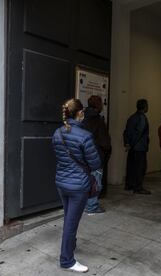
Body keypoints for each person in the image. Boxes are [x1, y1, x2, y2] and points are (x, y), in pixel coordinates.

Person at [52, 98, 101, 273]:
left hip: (61, 183)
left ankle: (70, 246)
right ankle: (67, 261)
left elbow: (59, 158)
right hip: (78, 186)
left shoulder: (57, 133)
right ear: (80, 113)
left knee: (68, 219)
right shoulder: (85, 136)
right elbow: (95, 164)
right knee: (71, 223)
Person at [82, 95, 111, 214]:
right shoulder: (98, 120)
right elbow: (105, 142)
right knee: (95, 182)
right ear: (98, 105)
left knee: (85, 180)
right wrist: (107, 152)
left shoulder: (82, 118)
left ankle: (83, 204)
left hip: (83, 155)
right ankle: (92, 206)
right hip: (96, 156)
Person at [123, 99, 151, 194]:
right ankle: (138, 187)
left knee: (131, 167)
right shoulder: (142, 118)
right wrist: (131, 144)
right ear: (145, 107)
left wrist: (127, 143)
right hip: (139, 147)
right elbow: (139, 133)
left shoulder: (132, 117)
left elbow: (126, 131)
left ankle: (129, 185)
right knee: (140, 168)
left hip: (132, 147)